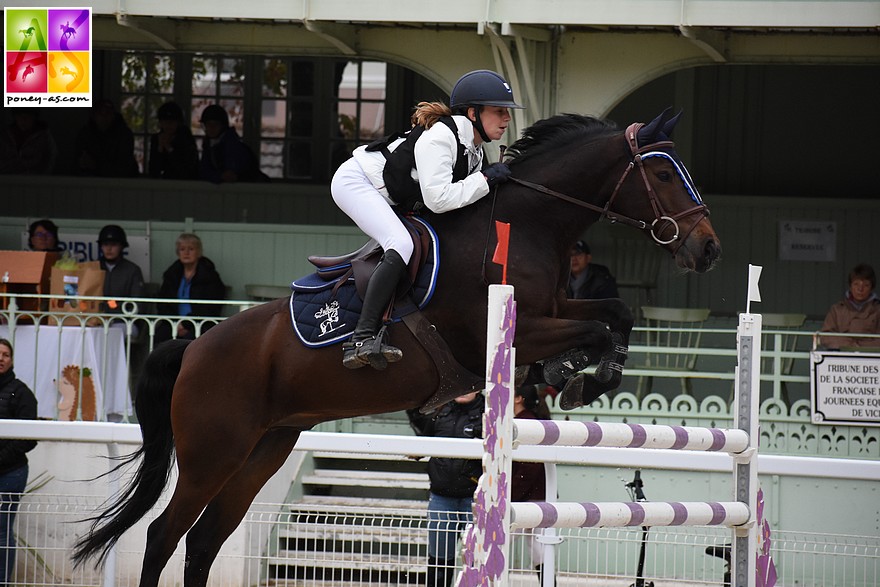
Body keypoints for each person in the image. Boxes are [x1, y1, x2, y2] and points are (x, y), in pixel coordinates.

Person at [333, 69, 522, 370]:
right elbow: (440, 199)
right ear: (473, 113)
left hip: (391, 194)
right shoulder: (441, 138)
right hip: (356, 182)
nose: (507, 119)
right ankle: (361, 337)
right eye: (499, 111)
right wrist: (486, 179)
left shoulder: (474, 150)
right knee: (401, 243)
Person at [407, 391, 485, 587]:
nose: (464, 390)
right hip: (441, 497)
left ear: (479, 387)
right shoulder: (440, 411)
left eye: (470, 386)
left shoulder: (490, 414)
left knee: (476, 559)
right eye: (461, 386)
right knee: (439, 559)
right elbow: (424, 441)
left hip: (475, 499)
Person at [0, 339, 38, 586]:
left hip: (10, 473)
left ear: (11, 360)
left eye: (5, 354)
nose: (0, 358)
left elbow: (28, 437)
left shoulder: (21, 392)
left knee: (2, 531)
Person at [155, 233, 226, 343]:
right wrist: (176, 323)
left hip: (200, 323)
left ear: (199, 252)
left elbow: (211, 307)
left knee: (192, 342)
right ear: (178, 253)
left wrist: (186, 324)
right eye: (182, 249)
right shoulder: (171, 274)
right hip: (173, 323)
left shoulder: (210, 275)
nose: (186, 253)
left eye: (191, 249)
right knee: (160, 337)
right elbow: (163, 302)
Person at [198, 104, 267, 183]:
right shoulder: (209, 146)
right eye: (208, 124)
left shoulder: (233, 147)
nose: (211, 128)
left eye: (215, 124)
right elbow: (203, 171)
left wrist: (218, 176)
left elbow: (230, 175)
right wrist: (219, 176)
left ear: (222, 126)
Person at [820, 263, 880, 349]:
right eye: (856, 284)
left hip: (871, 358)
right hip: (840, 358)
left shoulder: (878, 310)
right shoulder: (837, 309)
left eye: (866, 285)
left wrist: (860, 347)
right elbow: (825, 337)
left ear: (872, 287)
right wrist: (849, 344)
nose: (860, 289)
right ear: (850, 286)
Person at [74, 99, 139, 177]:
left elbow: (123, 166)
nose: (104, 117)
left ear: (113, 115)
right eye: (100, 113)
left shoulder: (123, 135)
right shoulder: (86, 134)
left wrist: (96, 165)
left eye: (108, 113)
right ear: (94, 116)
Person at [97, 225, 144, 314]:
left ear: (122, 247)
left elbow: (138, 303)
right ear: (101, 247)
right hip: (95, 319)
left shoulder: (132, 270)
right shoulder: (93, 268)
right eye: (105, 244)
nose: (109, 249)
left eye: (114, 244)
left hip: (123, 320)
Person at [148, 101, 199, 180]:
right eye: (165, 121)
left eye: (172, 122)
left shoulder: (185, 139)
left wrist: (169, 148)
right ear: (160, 123)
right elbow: (153, 171)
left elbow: (186, 170)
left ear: (178, 123)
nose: (168, 125)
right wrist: (160, 149)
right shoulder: (157, 139)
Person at [0, 108, 57, 174]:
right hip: (7, 180)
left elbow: (49, 162)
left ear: (34, 118)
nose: (23, 120)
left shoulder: (44, 138)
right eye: (20, 116)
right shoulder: (5, 136)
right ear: (15, 117)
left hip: (33, 181)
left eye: (28, 117)